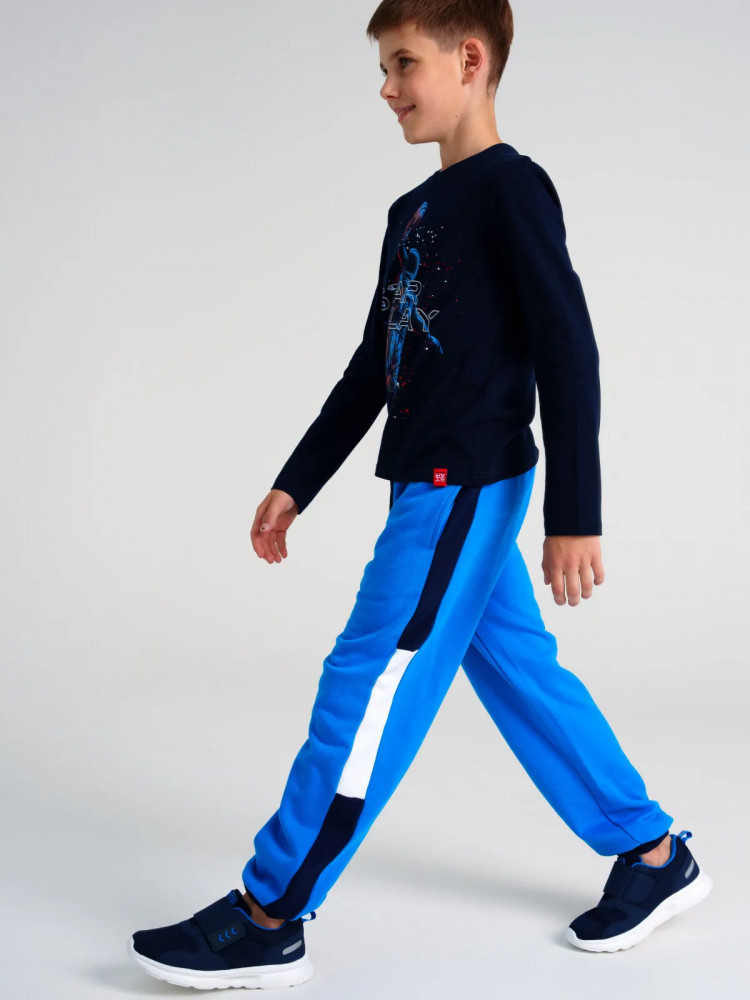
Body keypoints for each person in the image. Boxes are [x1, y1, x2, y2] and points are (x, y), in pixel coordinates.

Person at [128, 2, 712, 990]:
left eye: (404, 64)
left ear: (470, 59)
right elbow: (374, 366)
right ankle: (653, 854)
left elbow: (568, 348)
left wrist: (575, 514)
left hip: (465, 486)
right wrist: (297, 480)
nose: (387, 87)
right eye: (385, 68)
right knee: (520, 672)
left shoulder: (513, 189)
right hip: (425, 486)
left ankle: (271, 911)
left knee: (364, 684)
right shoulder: (412, 212)